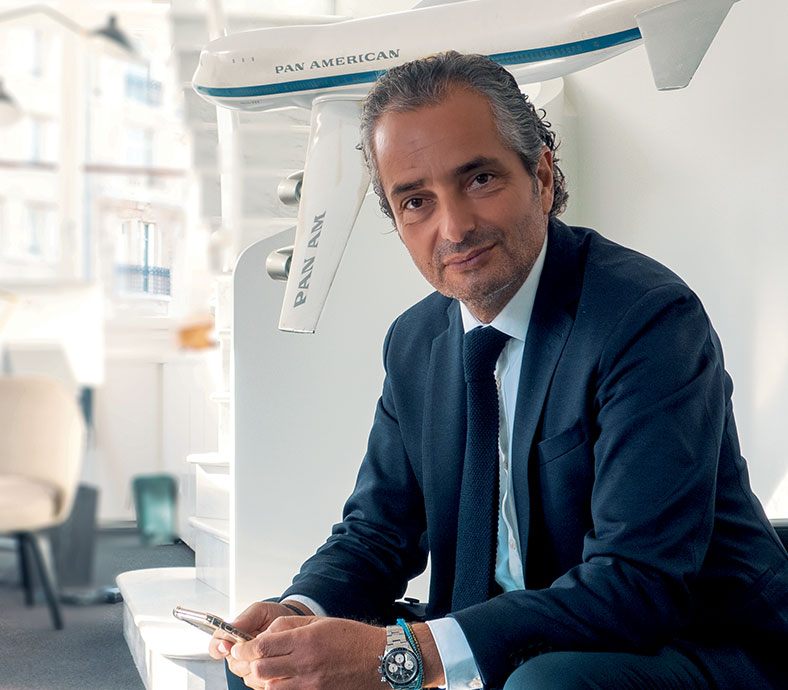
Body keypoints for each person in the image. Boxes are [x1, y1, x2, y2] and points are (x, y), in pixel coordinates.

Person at [212, 51, 788, 690]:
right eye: (416, 201)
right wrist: (297, 611)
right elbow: (377, 532)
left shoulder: (646, 320)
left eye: (480, 179)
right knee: (274, 668)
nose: (454, 227)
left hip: (689, 643)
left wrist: (404, 655)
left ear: (540, 175)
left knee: (543, 686)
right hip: (513, 636)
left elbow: (638, 585)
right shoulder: (415, 341)